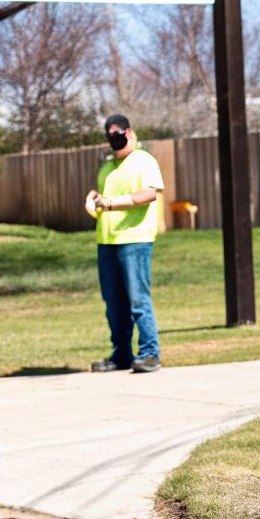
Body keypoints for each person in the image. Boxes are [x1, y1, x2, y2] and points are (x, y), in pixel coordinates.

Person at [86, 114, 163, 373]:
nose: (115, 138)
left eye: (119, 133)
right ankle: (121, 355)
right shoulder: (107, 168)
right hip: (106, 241)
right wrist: (94, 200)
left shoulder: (144, 161)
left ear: (130, 133)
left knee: (138, 300)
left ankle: (150, 354)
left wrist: (111, 203)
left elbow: (149, 194)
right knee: (114, 304)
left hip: (135, 239)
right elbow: (103, 202)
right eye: (110, 134)